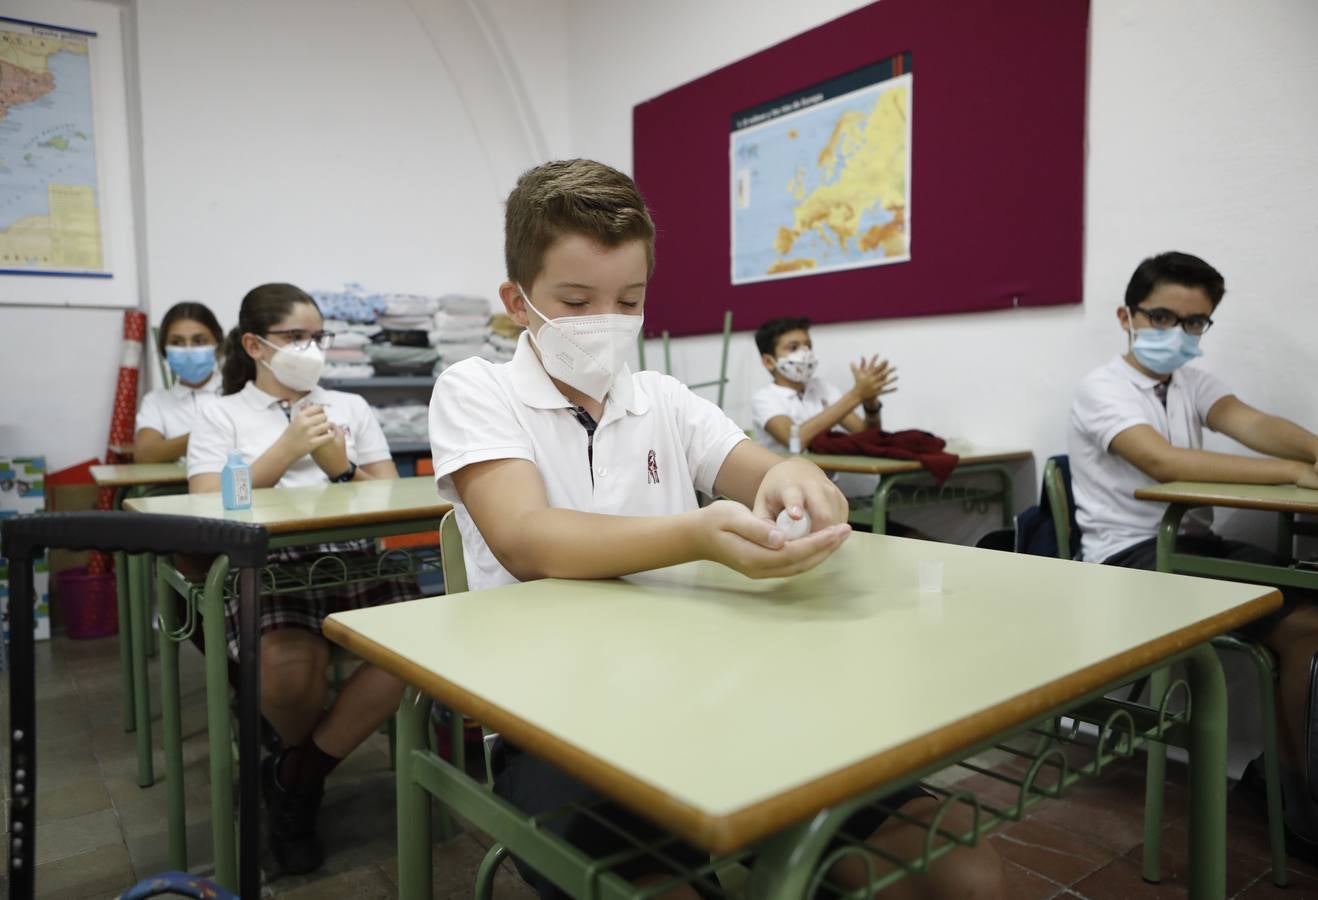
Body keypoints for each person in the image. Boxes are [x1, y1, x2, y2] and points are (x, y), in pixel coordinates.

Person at [429, 158, 1006, 899]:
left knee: (966, 872)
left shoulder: (665, 401)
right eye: (575, 301)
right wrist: (699, 535)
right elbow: (526, 538)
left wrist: (801, 486)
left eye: (627, 300)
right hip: (556, 721)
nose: (605, 321)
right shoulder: (477, 391)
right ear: (517, 301)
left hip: (712, 693)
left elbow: (760, 468)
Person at [1069, 250, 1318, 853]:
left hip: (1194, 546)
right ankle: (1297, 801)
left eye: (1194, 323)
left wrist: (1315, 451)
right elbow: (1161, 461)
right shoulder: (1101, 387)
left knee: (1309, 605)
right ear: (1126, 315)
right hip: (1128, 560)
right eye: (1161, 318)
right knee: (1306, 626)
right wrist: (1292, 470)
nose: (1176, 334)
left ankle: (1284, 783)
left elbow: (1250, 422)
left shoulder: (1192, 382)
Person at [185, 283, 408, 875]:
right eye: (295, 337)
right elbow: (205, 502)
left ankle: (296, 779)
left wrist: (342, 470)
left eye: (318, 336)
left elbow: (389, 492)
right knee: (287, 677)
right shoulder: (220, 413)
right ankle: (300, 769)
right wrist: (284, 451)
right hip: (268, 563)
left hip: (351, 557)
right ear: (255, 345)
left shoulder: (351, 409)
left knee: (414, 653)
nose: (311, 348)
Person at [752, 316, 935, 538]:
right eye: (793, 347)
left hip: (829, 496)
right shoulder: (766, 399)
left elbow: (865, 435)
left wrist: (869, 404)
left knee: (913, 538)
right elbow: (795, 439)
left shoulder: (823, 389)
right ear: (769, 361)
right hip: (785, 502)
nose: (805, 352)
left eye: (807, 345)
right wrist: (856, 394)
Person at [134, 302, 224, 463]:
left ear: (217, 345)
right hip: (178, 487)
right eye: (177, 342)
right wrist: (210, 432)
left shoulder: (237, 392)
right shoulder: (155, 401)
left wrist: (172, 447)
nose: (188, 350)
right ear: (164, 350)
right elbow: (145, 453)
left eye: (199, 341)